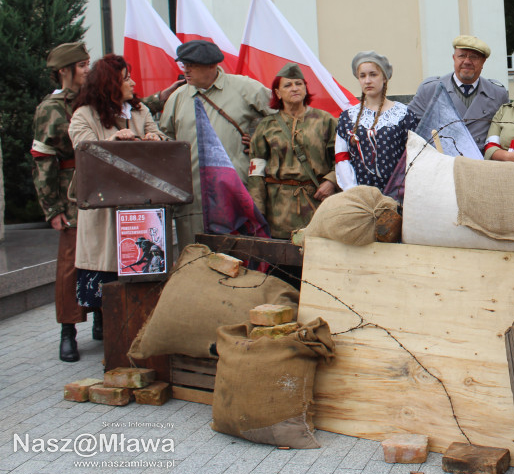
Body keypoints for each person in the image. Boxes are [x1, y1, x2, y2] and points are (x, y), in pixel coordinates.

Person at [68, 56, 166, 334]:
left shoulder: (139, 110)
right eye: (126, 78)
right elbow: (83, 147)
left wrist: (155, 139)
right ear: (109, 83)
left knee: (143, 271)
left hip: (141, 208)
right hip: (104, 211)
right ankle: (110, 333)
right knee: (108, 272)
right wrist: (113, 141)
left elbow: (156, 133)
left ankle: (137, 333)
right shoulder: (83, 115)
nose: (132, 83)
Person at [159, 41, 272, 250]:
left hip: (237, 196)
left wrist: (258, 138)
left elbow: (283, 119)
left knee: (241, 262)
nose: (186, 70)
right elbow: (165, 140)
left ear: (211, 66)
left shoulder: (246, 88)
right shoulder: (177, 98)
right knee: (194, 263)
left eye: (191, 65)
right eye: (184, 65)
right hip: (193, 201)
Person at [31, 42, 92, 362]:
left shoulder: (92, 99)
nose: (87, 70)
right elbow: (43, 160)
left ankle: (101, 320)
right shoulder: (50, 109)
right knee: (70, 265)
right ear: (65, 70)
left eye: (87, 64)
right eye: (82, 65)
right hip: (70, 198)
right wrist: (52, 208)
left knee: (102, 258)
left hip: (100, 193)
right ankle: (68, 330)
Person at [247, 63, 339, 239]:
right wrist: (258, 210)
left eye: (299, 83)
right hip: (279, 208)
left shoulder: (325, 121)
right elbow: (255, 172)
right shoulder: (266, 126)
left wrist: (331, 181)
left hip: (318, 203)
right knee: (281, 258)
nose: (294, 88)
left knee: (320, 252)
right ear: (278, 93)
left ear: (305, 88)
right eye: (287, 85)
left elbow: (342, 160)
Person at [407, 36, 508, 151]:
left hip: (480, 164)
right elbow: (409, 129)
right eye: (462, 56)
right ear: (454, 58)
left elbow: (506, 134)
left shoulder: (497, 93)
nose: (467, 61)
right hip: (442, 162)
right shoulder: (430, 90)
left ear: (483, 61)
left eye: (474, 57)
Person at [336, 51, 418, 190]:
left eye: (373, 74)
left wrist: (400, 191)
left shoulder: (404, 115)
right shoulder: (347, 118)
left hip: (398, 196)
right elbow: (342, 157)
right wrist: (353, 191)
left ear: (384, 78)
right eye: (362, 76)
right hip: (361, 197)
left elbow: (415, 156)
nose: (367, 80)